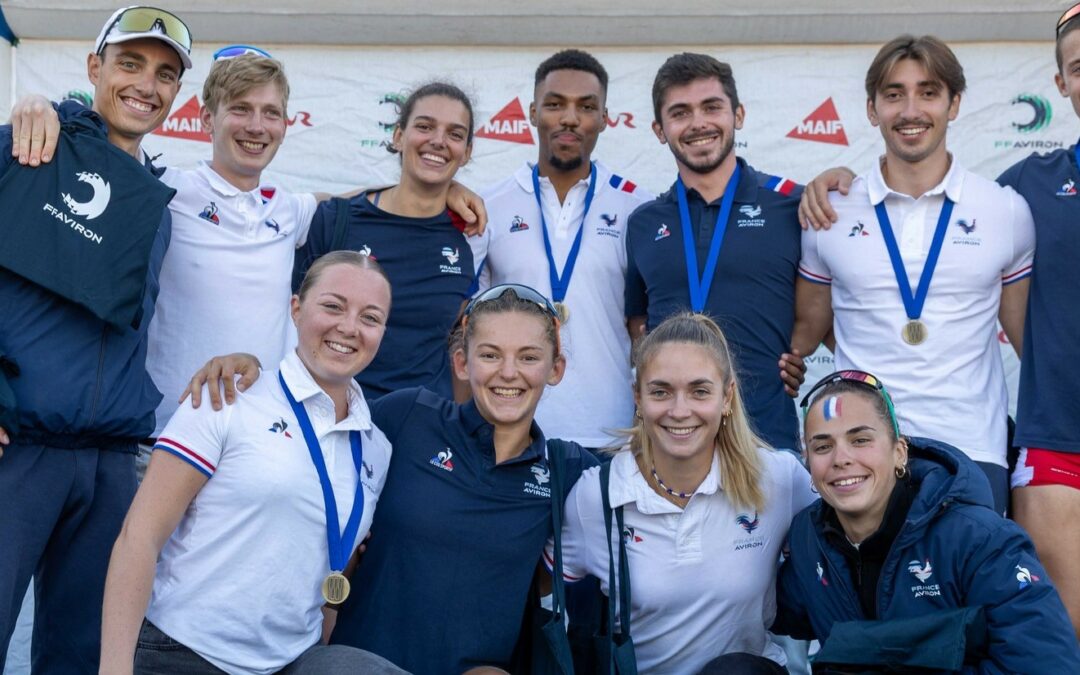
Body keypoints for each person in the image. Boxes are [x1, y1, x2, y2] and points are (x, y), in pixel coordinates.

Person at [185, 284, 598, 672]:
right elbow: (311, 427)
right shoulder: (408, 416)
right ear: (461, 362)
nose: (509, 372)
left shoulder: (567, 470)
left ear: (555, 368)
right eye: (490, 354)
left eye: (528, 357)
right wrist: (251, 371)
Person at [100, 251, 405, 674]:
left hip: (291, 661)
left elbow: (330, 567)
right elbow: (139, 537)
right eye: (333, 306)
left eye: (370, 318)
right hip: (184, 652)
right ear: (296, 309)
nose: (349, 328)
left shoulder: (376, 447)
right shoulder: (227, 395)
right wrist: (114, 668)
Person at [0, 7, 186, 670]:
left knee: (80, 657)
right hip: (18, 448)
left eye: (165, 74)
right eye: (130, 64)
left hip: (109, 463)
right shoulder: (28, 145)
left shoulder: (161, 205)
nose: (146, 85)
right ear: (94, 69)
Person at [789, 35, 1034, 514]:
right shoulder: (831, 212)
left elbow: (1028, 340)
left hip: (973, 448)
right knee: (869, 590)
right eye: (894, 94)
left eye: (928, 92)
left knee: (967, 590)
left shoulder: (1004, 210)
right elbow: (807, 329)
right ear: (872, 108)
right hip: (861, 451)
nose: (911, 110)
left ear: (954, 103)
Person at [551, 313, 816, 674]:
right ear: (638, 399)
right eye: (660, 391)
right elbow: (533, 588)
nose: (679, 410)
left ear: (727, 398)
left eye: (699, 391)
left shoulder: (777, 479)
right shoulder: (597, 496)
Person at [774, 370, 1080, 671]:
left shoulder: (980, 539)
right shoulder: (808, 538)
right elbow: (765, 610)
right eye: (823, 446)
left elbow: (1049, 664)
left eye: (860, 439)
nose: (841, 459)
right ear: (809, 462)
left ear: (899, 452)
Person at [625, 53, 806, 455]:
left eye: (711, 107)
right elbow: (639, 327)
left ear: (738, 115)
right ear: (659, 129)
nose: (698, 123)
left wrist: (796, 354)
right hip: (671, 441)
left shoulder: (792, 208)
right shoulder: (642, 223)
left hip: (767, 440)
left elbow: (819, 308)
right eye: (680, 112)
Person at [478, 49, 651, 451]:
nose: (570, 118)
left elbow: (643, 327)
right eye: (555, 104)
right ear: (533, 112)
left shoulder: (636, 207)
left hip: (611, 434)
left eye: (586, 106)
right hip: (511, 431)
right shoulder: (489, 206)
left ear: (605, 119)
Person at [293, 82, 485, 400]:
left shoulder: (469, 237)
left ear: (466, 152)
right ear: (398, 137)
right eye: (425, 126)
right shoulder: (335, 219)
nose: (438, 141)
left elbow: (458, 348)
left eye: (454, 134)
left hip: (421, 433)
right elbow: (292, 320)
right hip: (330, 423)